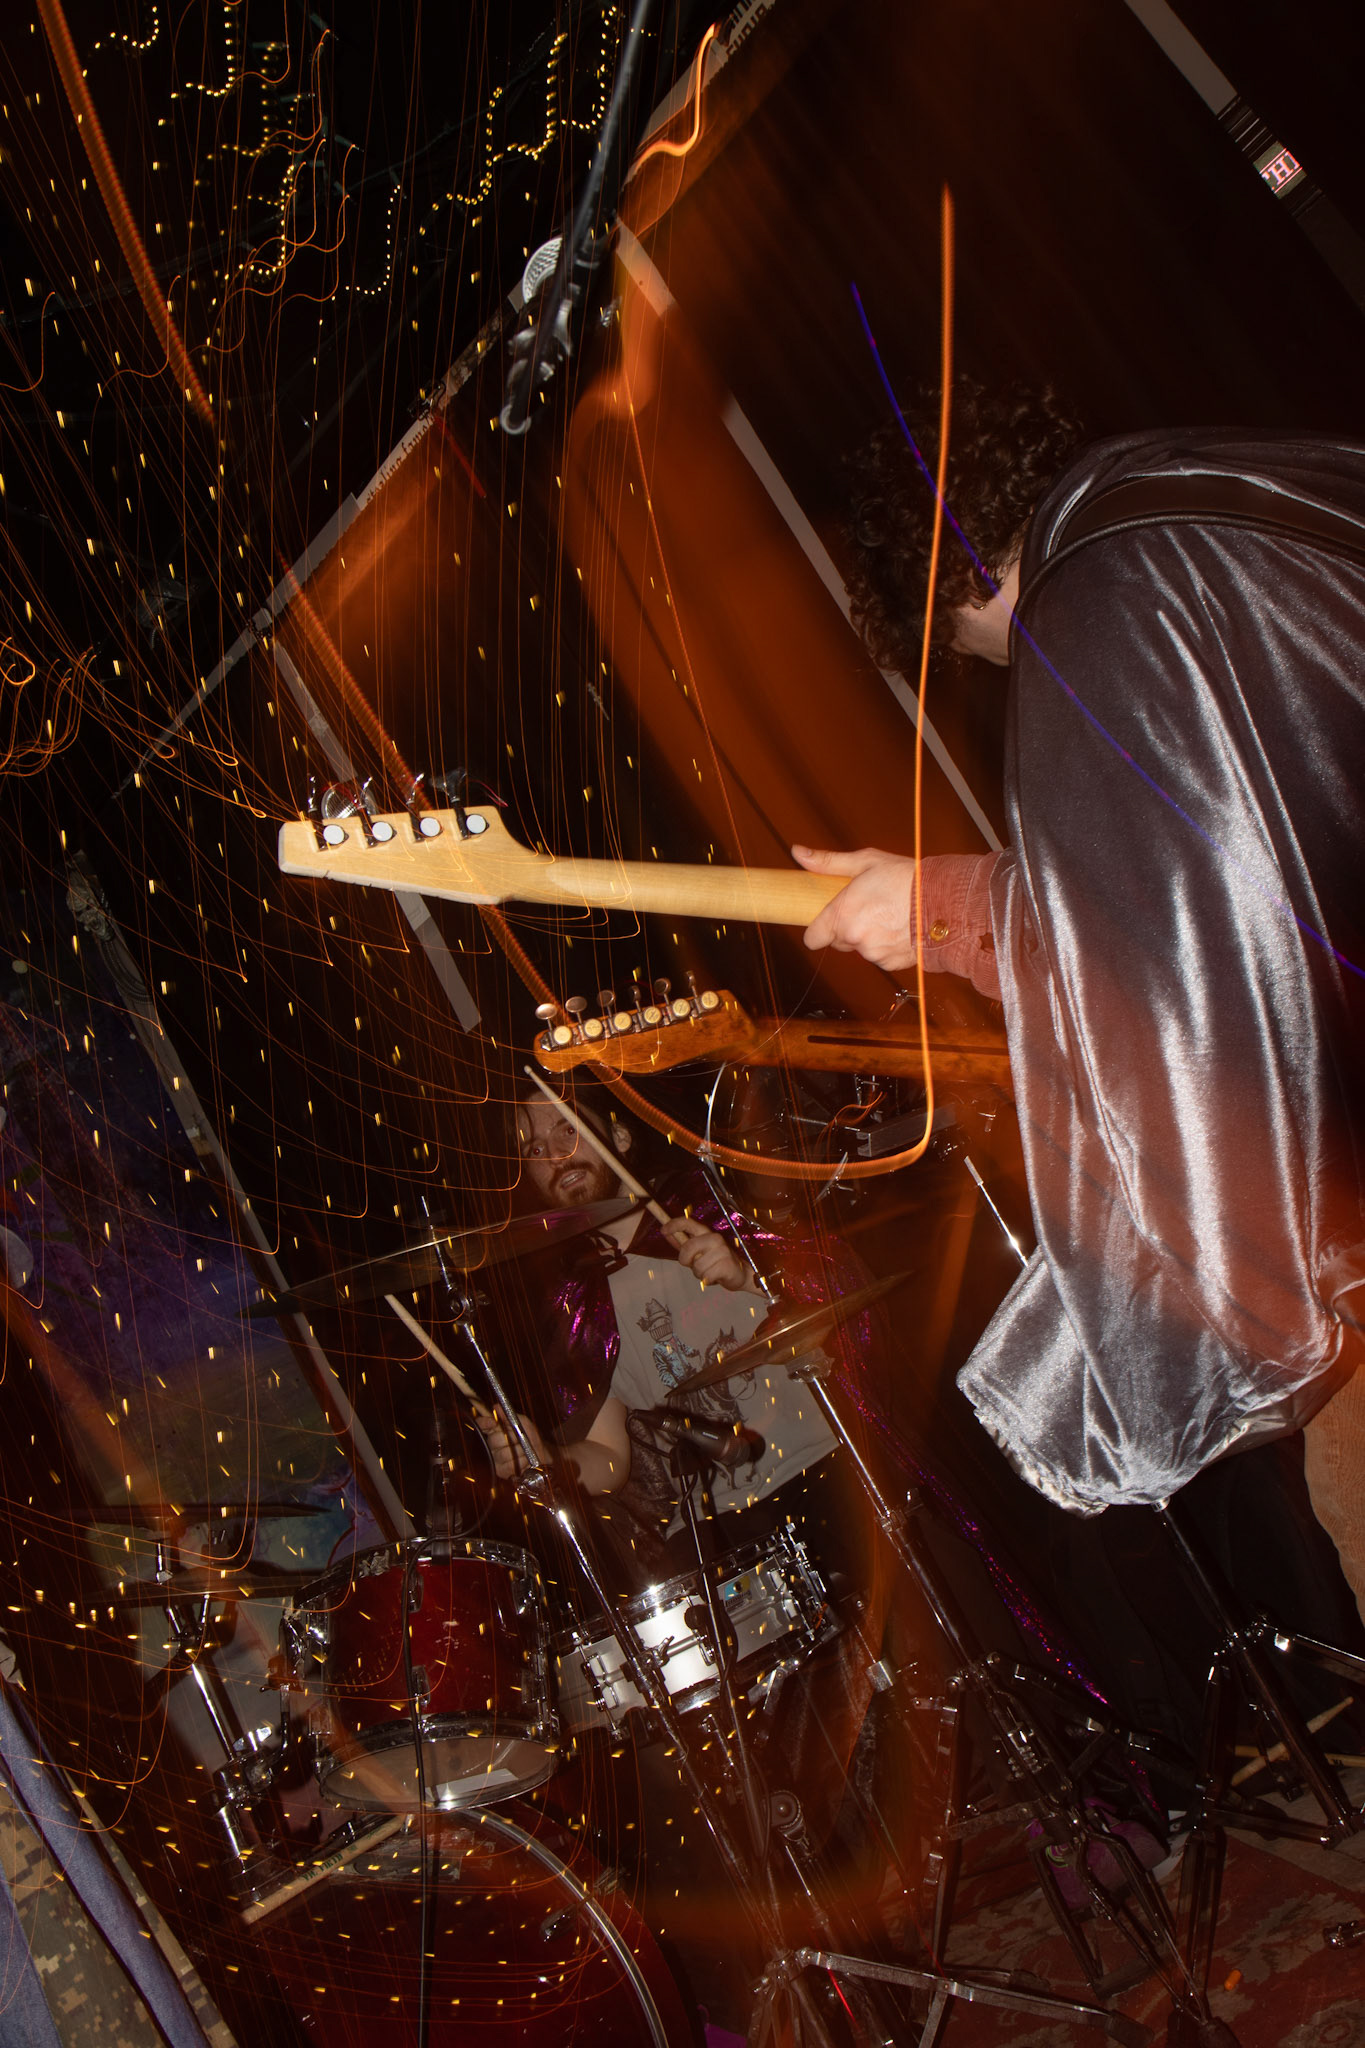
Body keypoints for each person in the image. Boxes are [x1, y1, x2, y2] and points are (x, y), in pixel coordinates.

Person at [790, 384, 1365, 1601]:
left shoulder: (1095, 608)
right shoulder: (1190, 488)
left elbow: (1180, 966)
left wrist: (934, 911)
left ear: (940, 599)